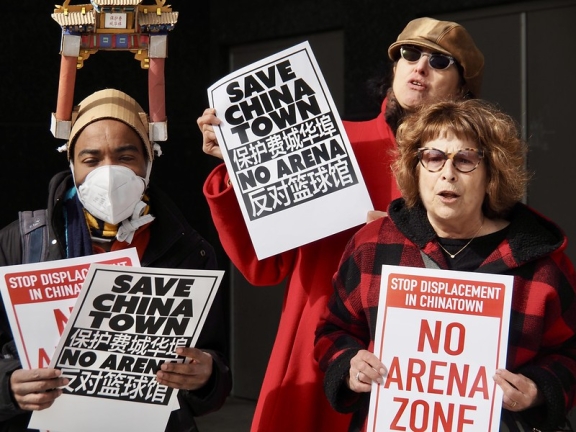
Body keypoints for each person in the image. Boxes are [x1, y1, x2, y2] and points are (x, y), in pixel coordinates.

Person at [197, 17, 484, 432]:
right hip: (317, 345)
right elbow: (264, 266)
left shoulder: (472, 171)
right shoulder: (334, 141)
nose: (419, 66)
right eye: (408, 53)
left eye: (440, 61)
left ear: (463, 87)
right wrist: (238, 169)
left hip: (415, 363)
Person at [314, 99, 576, 432]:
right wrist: (349, 364)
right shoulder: (373, 245)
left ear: (491, 173)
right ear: (416, 168)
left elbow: (570, 352)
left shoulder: (542, 266)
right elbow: (333, 330)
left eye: (465, 160)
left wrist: (538, 390)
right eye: (434, 158)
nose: (447, 173)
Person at [0, 88, 232, 431]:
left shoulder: (189, 252)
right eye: (91, 160)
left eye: (125, 157)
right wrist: (8, 388)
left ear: (148, 162)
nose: (108, 174)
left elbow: (215, 371)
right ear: (72, 165)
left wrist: (206, 375)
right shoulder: (20, 244)